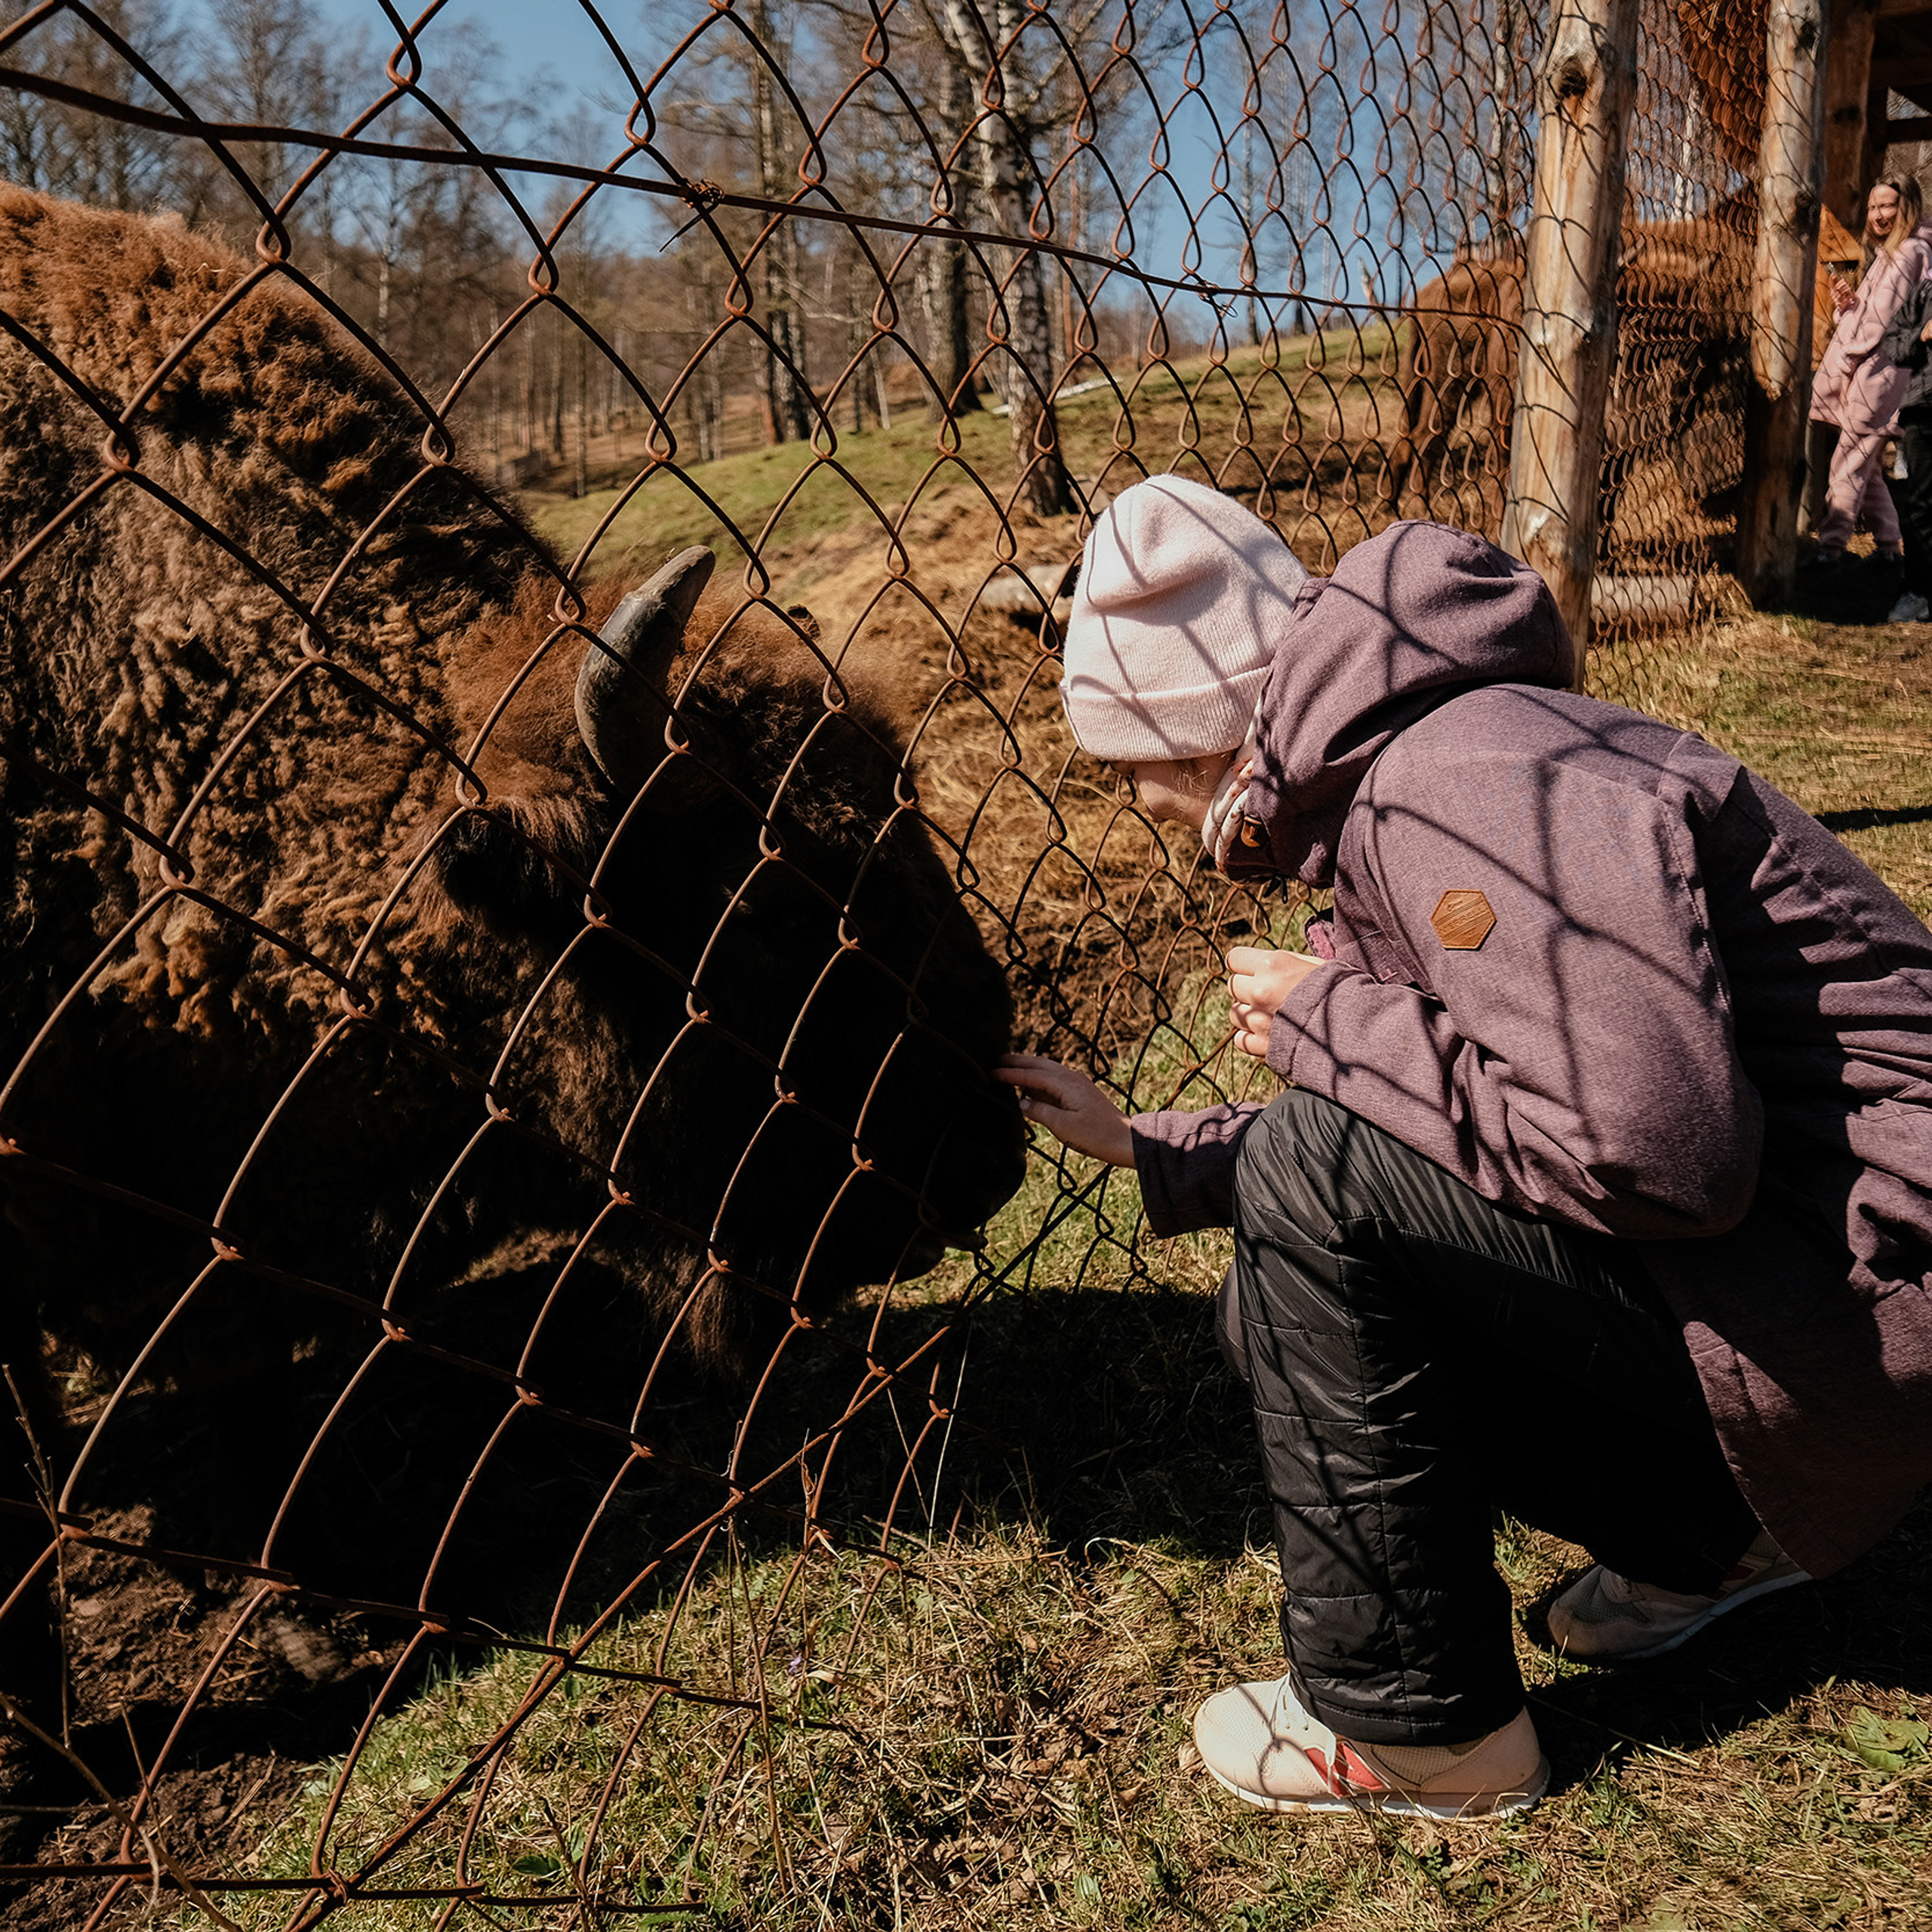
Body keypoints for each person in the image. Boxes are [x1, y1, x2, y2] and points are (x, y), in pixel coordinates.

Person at [998, 475, 1932, 1821]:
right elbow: (1482, 1119)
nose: (1133, 802)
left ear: (1195, 723)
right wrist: (1160, 1150)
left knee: (1314, 1182)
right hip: (1833, 1279)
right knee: (1292, 1255)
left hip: (1865, 1296)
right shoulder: (1424, 770)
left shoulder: (1459, 779)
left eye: (1127, 760)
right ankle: (1718, 1542)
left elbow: (1658, 1154)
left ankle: (1417, 1726)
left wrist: (1330, 1027)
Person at [1807, 176, 1931, 574]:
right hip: (1876, 367)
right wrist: (1849, 304)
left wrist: (1849, 360)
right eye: (1874, 207)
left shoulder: (1909, 252)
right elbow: (1876, 313)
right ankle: (1889, 548)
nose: (1878, 215)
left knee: (1848, 461)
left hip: (1878, 371)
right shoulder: (1890, 253)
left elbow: (1880, 326)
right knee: (1867, 462)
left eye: (1887, 206)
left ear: (1906, 207)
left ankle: (1830, 549)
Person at [1880, 268, 1932, 623]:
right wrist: (1922, 335)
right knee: (1921, 503)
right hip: (1925, 408)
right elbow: (1892, 344)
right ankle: (1920, 591)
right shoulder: (1925, 291)